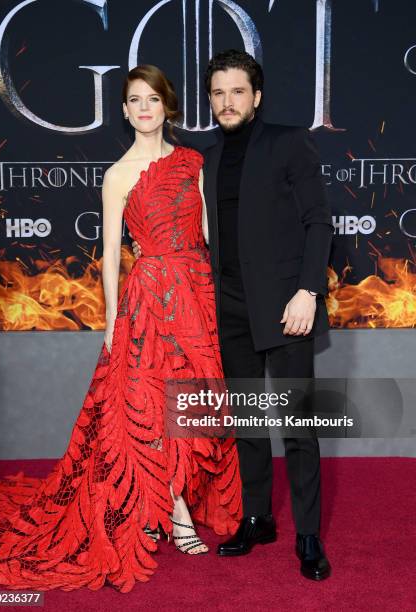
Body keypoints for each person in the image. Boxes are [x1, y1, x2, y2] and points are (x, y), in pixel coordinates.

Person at [0, 65, 242, 594]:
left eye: (152, 99)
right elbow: (112, 257)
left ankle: (162, 499)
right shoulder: (117, 175)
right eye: (134, 100)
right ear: (124, 110)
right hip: (147, 304)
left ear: (168, 106)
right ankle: (175, 509)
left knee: (191, 403)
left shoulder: (192, 162)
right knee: (147, 406)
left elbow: (211, 233)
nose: (144, 108)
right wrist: (112, 324)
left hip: (195, 294)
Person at [133, 49, 333, 581]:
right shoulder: (208, 157)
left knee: (298, 425)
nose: (227, 101)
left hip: (289, 307)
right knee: (246, 421)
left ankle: (308, 535)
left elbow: (318, 222)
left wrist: (308, 292)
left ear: (256, 97)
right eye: (218, 93)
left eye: (237, 91)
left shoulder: (289, 142)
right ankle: (258, 517)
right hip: (230, 309)